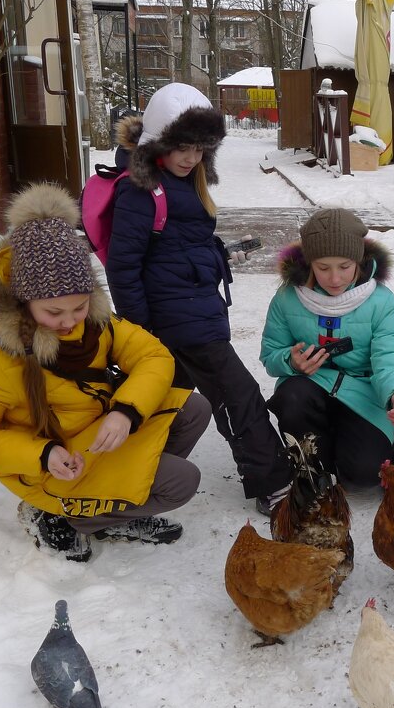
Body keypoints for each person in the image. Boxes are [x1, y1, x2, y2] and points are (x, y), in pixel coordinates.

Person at [0, 184, 211, 562]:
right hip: (56, 465)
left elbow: (154, 357)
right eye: (54, 313)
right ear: (22, 301)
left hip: (95, 436)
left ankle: (116, 499)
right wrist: (42, 453)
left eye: (79, 307)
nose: (69, 322)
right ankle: (66, 517)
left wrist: (125, 411)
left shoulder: (95, 322)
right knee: (182, 481)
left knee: (194, 410)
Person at [104, 82, 292, 514]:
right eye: (182, 147)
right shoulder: (140, 190)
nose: (190, 158)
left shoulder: (184, 182)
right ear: (157, 143)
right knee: (238, 395)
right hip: (175, 318)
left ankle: (129, 475)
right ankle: (276, 484)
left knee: (164, 402)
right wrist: (141, 330)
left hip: (191, 308)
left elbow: (178, 244)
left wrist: (216, 256)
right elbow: (123, 265)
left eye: (201, 148)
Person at [260, 208, 394, 494]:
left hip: (363, 393)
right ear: (309, 263)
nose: (334, 279)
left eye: (344, 266)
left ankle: (349, 445)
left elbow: (388, 355)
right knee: (291, 396)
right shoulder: (287, 297)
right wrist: (290, 361)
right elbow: (270, 353)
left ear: (359, 260)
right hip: (310, 388)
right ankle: (312, 465)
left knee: (364, 476)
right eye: (323, 267)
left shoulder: (380, 301)